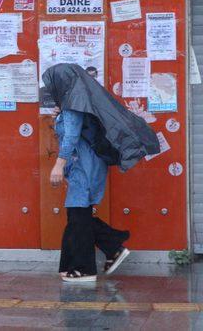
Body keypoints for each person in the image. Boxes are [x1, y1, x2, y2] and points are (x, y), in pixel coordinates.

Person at [42, 63, 160, 283]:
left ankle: (85, 268)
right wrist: (59, 116)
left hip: (84, 166)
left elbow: (71, 137)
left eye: (53, 83)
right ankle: (107, 248)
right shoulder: (75, 102)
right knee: (77, 215)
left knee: (78, 214)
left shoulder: (74, 104)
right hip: (85, 164)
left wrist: (58, 165)